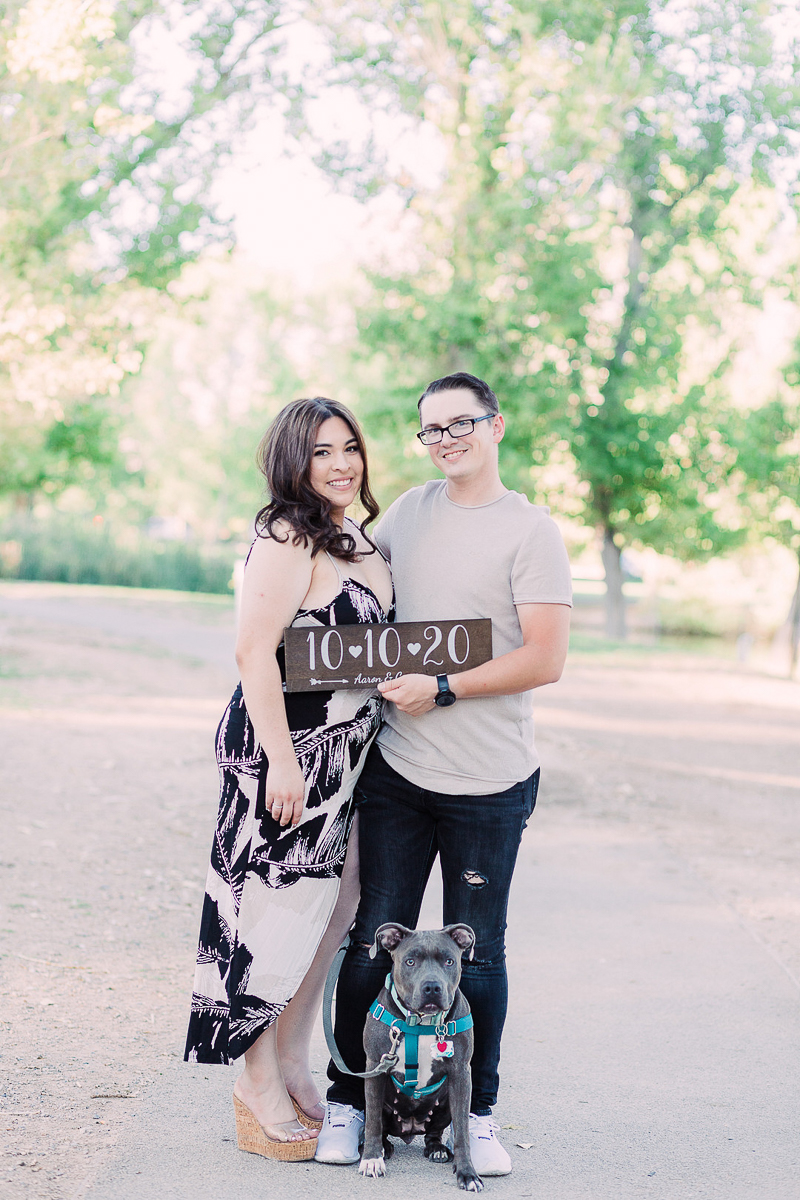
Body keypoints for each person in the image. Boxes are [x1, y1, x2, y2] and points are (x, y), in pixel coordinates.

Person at [316, 372, 572, 1175]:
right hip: (398, 770)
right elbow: (349, 579)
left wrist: (446, 687)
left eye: (461, 424)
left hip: (490, 784)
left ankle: (479, 1116)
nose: (447, 439)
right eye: (431, 430)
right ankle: (348, 1104)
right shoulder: (411, 511)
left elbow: (545, 657)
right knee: (371, 943)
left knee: (481, 954)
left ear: (496, 425)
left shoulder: (532, 531)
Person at [184, 397, 393, 1162]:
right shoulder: (284, 532)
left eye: (349, 448)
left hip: (349, 759)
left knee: (330, 914)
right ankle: (255, 1084)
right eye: (321, 453)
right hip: (286, 755)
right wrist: (280, 759)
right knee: (265, 913)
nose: (341, 464)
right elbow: (252, 652)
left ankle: (295, 1060)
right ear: (291, 463)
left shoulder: (359, 537)